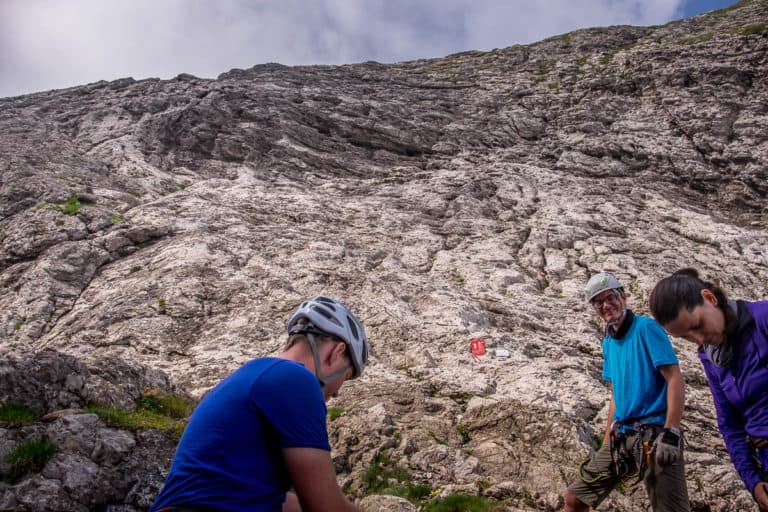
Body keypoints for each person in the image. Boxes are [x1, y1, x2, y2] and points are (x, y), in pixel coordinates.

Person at [149, 296, 370, 512]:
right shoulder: (295, 380)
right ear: (337, 352)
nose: (337, 392)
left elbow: (278, 501)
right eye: (345, 376)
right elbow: (324, 507)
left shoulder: (254, 374)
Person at [564, 272, 690, 512]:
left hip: (655, 434)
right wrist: (606, 441)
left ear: (623, 296)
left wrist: (671, 431)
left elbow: (674, 378)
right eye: (598, 302)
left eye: (609, 298)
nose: (605, 305)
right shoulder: (608, 342)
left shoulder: (646, 328)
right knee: (574, 498)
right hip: (622, 436)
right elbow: (616, 394)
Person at [650, 268, 768, 511]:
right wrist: (753, 483)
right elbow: (729, 424)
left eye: (698, 325)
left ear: (710, 298)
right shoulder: (711, 358)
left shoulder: (763, 319)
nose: (699, 340)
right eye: (686, 337)